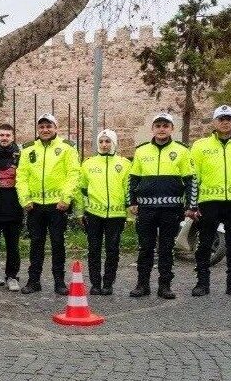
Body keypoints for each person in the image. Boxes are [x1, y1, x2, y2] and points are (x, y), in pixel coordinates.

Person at [128, 113, 195, 299]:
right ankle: (142, 285)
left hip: (171, 209)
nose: (161, 129)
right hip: (146, 209)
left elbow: (190, 181)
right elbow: (133, 179)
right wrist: (132, 202)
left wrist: (190, 205)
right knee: (145, 248)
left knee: (166, 248)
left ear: (172, 129)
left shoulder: (182, 151)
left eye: (166, 125)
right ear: (153, 128)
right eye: (158, 125)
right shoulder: (141, 151)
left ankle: (165, 286)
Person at [16, 114, 80, 295]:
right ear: (38, 129)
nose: (45, 130)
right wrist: (25, 199)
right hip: (34, 206)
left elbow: (73, 174)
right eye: (42, 127)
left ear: (56, 128)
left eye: (48, 126)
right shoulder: (28, 149)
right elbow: (22, 176)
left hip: (57, 206)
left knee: (58, 243)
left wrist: (66, 199)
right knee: (36, 244)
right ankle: (33, 280)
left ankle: (59, 281)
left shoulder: (67, 148)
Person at [77, 130, 130, 296]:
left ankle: (108, 283)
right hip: (94, 215)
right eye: (101, 142)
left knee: (112, 250)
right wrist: (80, 212)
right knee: (94, 250)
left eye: (108, 141)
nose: (104, 145)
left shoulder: (125, 164)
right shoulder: (88, 164)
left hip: (116, 215)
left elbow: (129, 191)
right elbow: (81, 190)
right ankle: (95, 284)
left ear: (114, 143)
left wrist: (130, 215)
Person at [190, 105, 231, 296]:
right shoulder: (200, 146)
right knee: (204, 244)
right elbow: (192, 177)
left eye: (228, 119)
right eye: (221, 119)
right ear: (214, 122)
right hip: (208, 202)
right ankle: (202, 283)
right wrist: (192, 204)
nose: (225, 122)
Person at [0, 123, 23, 291]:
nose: (4, 138)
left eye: (8, 135)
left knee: (12, 245)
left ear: (13, 137)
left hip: (14, 207)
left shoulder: (20, 156)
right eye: (2, 135)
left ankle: (12, 276)